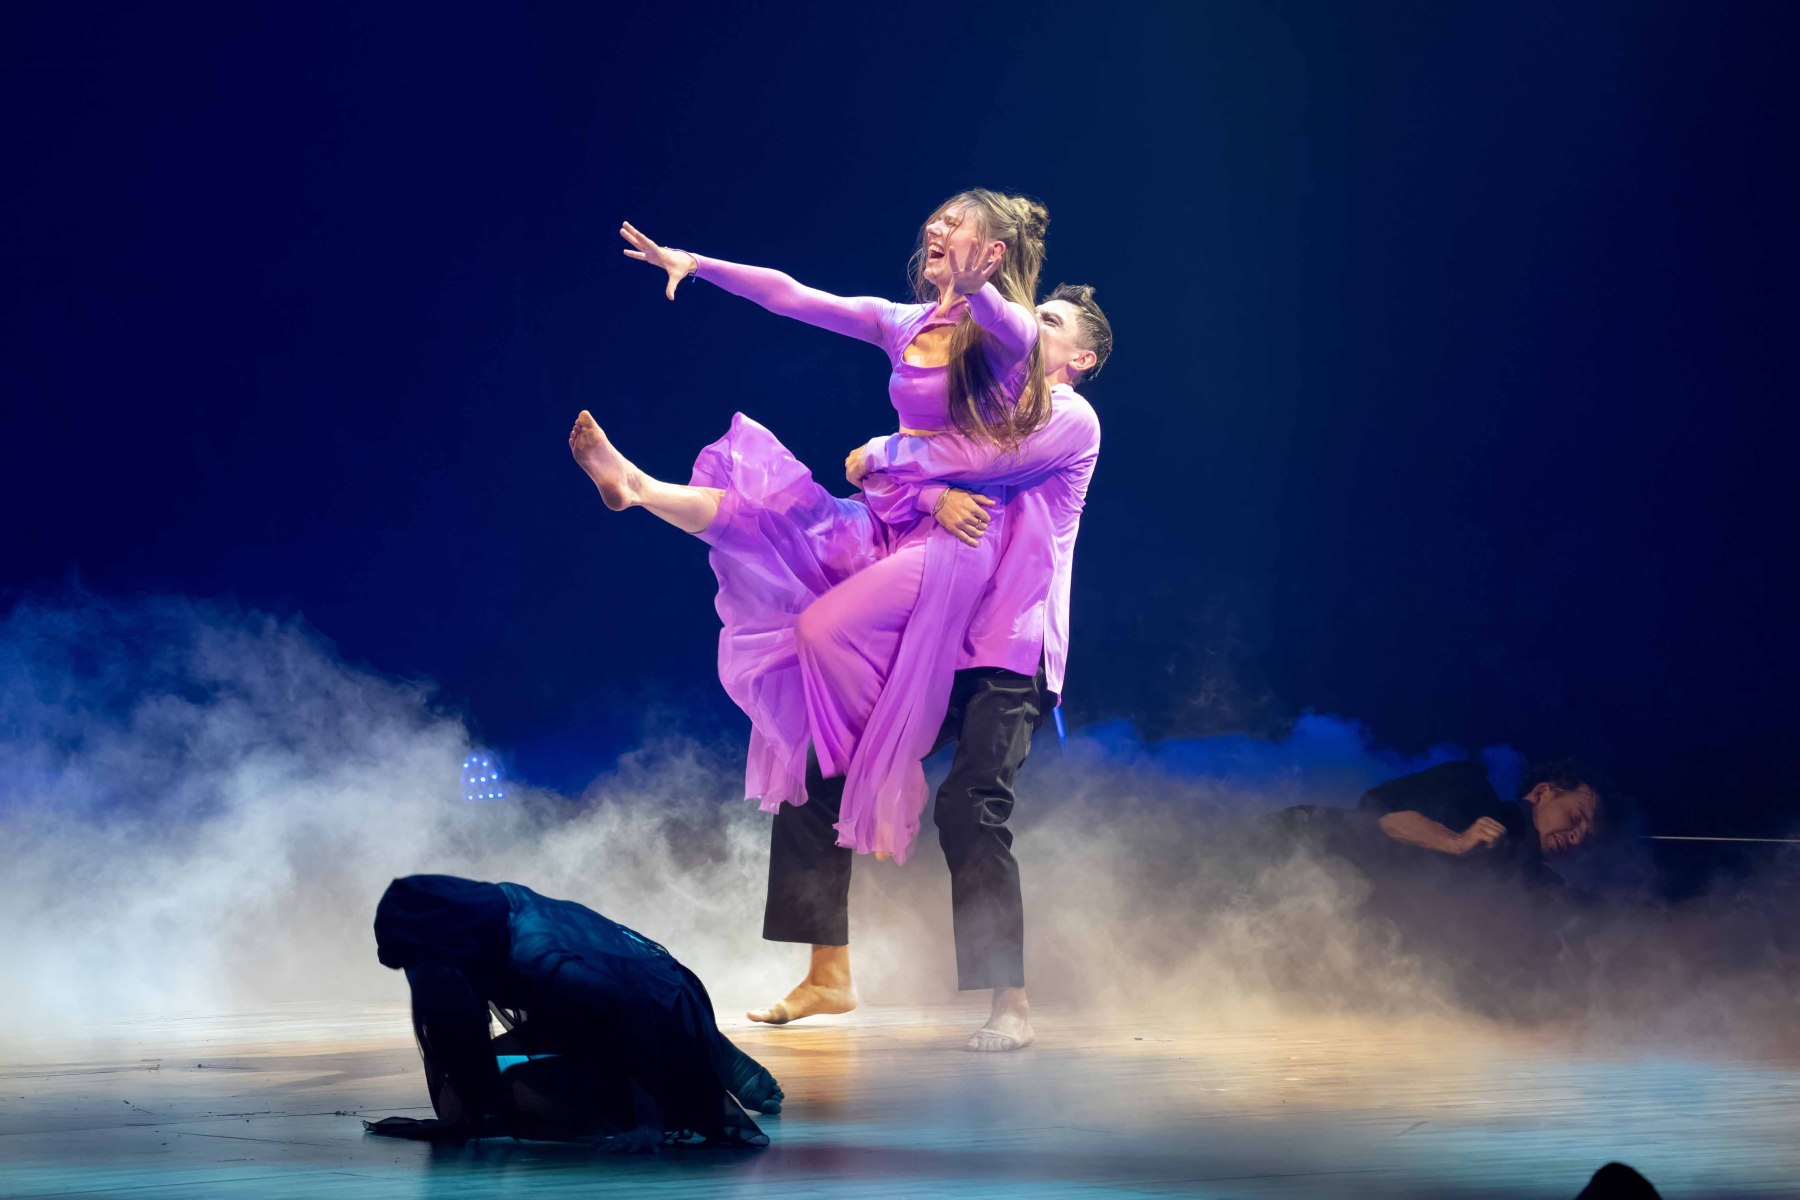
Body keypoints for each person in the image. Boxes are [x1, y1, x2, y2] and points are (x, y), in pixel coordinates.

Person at [569, 190, 1049, 862]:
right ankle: (639, 487)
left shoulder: (1006, 337)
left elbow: (1018, 331)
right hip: (891, 512)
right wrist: (695, 263)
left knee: (819, 629)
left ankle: (867, 758)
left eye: (956, 222)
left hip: (954, 537)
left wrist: (981, 292)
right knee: (771, 513)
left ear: (992, 252)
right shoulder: (902, 323)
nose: (936, 226)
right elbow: (792, 295)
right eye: (937, 217)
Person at [750, 284, 1112, 1051]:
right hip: (940, 639)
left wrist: (886, 454)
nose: (1028, 326)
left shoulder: (1070, 415)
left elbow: (976, 460)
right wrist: (927, 488)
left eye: (1049, 321)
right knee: (820, 772)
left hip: (1010, 651)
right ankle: (828, 973)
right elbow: (905, 485)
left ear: (1081, 359)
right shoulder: (982, 407)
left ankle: (1010, 1004)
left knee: (970, 804)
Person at [365, 875, 780, 1151]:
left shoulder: (537, 953)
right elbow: (449, 1029)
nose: (414, 974)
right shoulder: (474, 926)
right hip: (580, 1004)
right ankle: (706, 1048)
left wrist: (649, 1123)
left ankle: (699, 1046)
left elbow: (631, 1011)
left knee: (537, 1096)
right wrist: (464, 1114)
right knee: (489, 1091)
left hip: (653, 1000)